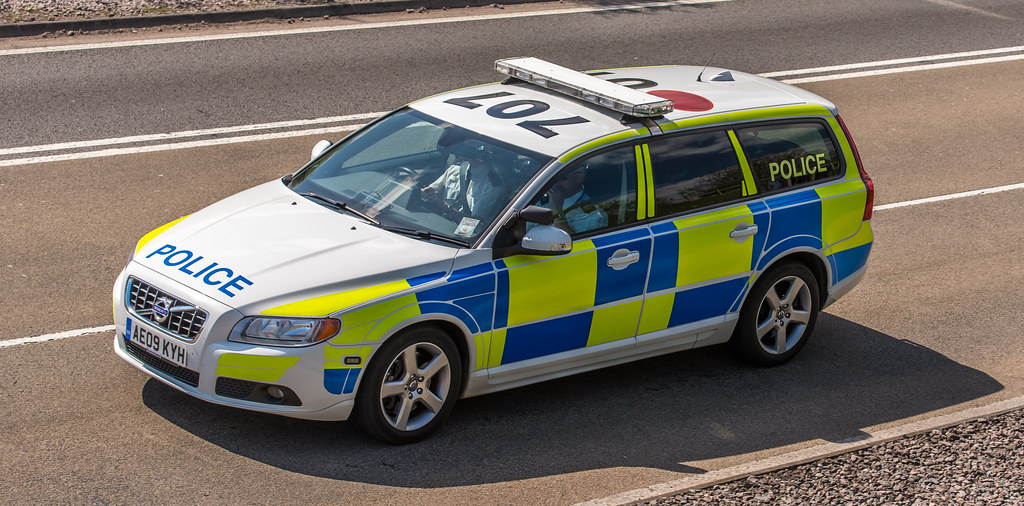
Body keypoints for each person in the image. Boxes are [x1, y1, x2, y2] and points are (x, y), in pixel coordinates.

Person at [420, 142, 502, 222]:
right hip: (435, 222)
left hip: (456, 230)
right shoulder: (455, 169)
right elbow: (432, 191)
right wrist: (425, 193)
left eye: (471, 143)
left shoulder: (493, 186)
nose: (464, 145)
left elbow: (472, 224)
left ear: (483, 149)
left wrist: (445, 206)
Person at [540, 164, 607, 234]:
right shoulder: (540, 197)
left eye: (562, 178)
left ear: (579, 176)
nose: (555, 182)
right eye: (552, 178)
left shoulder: (592, 214)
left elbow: (572, 240)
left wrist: (556, 211)